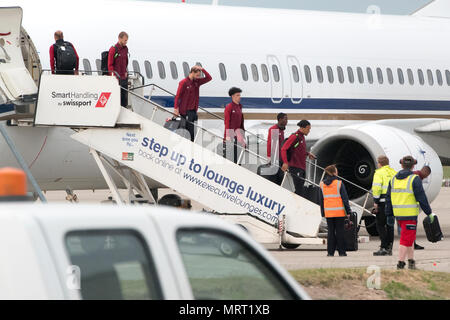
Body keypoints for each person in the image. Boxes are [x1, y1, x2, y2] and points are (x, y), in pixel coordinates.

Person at [385, 156, 436, 270]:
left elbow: (388, 198)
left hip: (398, 215)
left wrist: (389, 214)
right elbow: (421, 198)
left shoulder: (393, 179)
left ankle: (411, 262)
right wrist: (429, 213)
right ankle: (400, 264)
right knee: (405, 240)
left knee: (409, 238)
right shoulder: (414, 179)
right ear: (413, 166)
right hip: (409, 215)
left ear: (401, 165)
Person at [319, 165, 351, 257]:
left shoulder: (321, 185)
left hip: (329, 212)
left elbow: (321, 200)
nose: (337, 172)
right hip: (339, 212)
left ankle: (330, 252)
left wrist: (323, 212)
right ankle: (342, 252)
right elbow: (345, 199)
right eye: (336, 171)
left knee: (331, 232)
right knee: (340, 231)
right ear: (334, 173)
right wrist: (348, 212)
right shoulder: (339, 183)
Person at [174, 65, 212, 141]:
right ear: (192, 72)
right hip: (186, 111)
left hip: (194, 112)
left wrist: (202, 69)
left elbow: (209, 78)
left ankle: (191, 147)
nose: (198, 77)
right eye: (197, 75)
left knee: (192, 133)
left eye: (199, 75)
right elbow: (178, 96)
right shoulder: (183, 82)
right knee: (187, 132)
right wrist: (176, 108)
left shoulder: (197, 82)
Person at [281, 120, 316, 197]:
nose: (309, 131)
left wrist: (308, 154)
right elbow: (284, 149)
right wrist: (285, 162)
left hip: (302, 167)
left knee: (299, 190)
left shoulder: (301, 137)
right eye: (308, 129)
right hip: (295, 167)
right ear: (303, 128)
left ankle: (292, 204)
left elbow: (298, 149)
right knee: (300, 191)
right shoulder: (295, 136)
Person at [372, 155, 397, 256]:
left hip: (383, 202)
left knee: (380, 224)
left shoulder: (379, 173)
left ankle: (383, 247)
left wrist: (375, 201)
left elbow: (377, 188)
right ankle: (389, 247)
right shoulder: (394, 172)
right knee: (390, 225)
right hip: (393, 202)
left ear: (380, 163)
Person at [411, 165, 432, 250]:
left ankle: (411, 244)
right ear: (426, 172)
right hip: (410, 209)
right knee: (411, 228)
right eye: (427, 175)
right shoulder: (416, 178)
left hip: (399, 207)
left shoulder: (410, 176)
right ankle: (412, 244)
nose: (426, 177)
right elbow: (421, 198)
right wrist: (429, 212)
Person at [223, 87, 245, 163]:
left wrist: (243, 137)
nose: (240, 97)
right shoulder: (229, 107)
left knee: (238, 158)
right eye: (237, 95)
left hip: (238, 136)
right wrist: (228, 136)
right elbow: (227, 122)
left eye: (240, 95)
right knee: (230, 158)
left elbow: (241, 123)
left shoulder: (240, 106)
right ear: (233, 96)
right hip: (231, 135)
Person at [108, 31, 129, 107]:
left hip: (124, 78)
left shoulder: (125, 49)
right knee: (117, 99)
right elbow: (110, 65)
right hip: (117, 78)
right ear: (119, 38)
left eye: (126, 40)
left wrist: (126, 71)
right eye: (125, 40)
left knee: (124, 100)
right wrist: (114, 77)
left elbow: (126, 62)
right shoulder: (113, 49)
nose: (126, 42)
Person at [267, 113, 288, 185]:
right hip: (275, 159)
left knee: (280, 178)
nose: (287, 121)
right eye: (285, 119)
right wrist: (269, 157)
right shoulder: (274, 129)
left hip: (280, 159)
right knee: (274, 178)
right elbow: (270, 144)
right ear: (280, 119)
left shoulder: (281, 131)